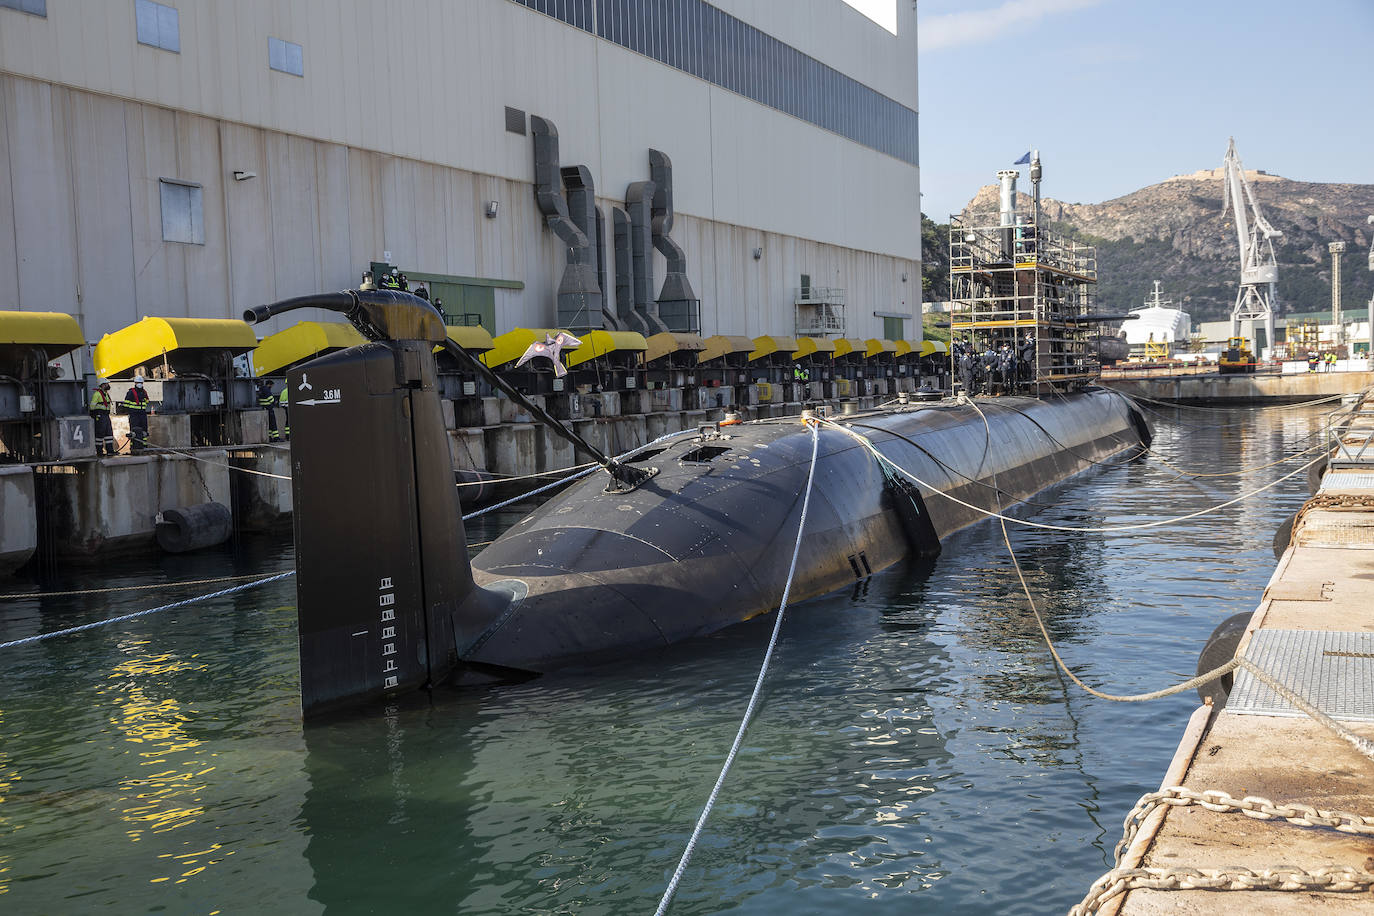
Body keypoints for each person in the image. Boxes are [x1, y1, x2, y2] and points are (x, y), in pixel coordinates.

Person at [121, 374, 151, 452]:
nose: (139, 384)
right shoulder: (131, 392)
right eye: (138, 382)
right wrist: (129, 412)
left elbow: (147, 401)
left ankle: (144, 445)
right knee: (134, 430)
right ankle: (133, 446)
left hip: (142, 414)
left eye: (141, 382)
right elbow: (126, 404)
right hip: (134, 414)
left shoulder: (144, 392)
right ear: (135, 383)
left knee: (144, 430)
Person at [89, 378, 114, 456]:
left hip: (106, 415)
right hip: (100, 416)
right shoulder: (97, 394)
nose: (108, 385)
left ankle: (110, 450)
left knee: (109, 433)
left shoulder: (105, 393)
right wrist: (95, 414)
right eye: (106, 384)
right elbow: (92, 406)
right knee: (100, 434)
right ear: (103, 385)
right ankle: (99, 452)